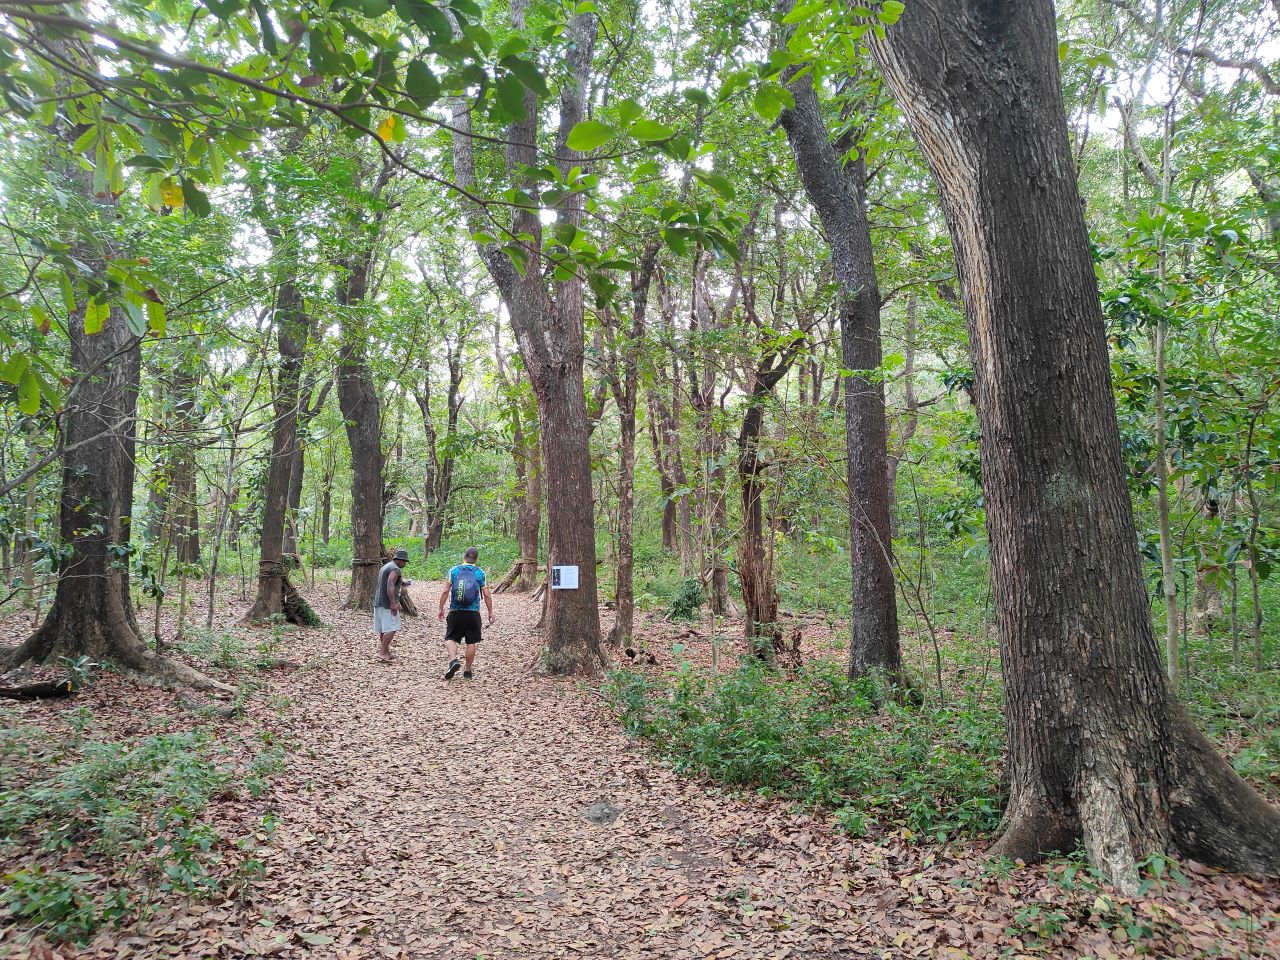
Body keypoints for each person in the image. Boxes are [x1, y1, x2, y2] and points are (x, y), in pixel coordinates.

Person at [437, 546, 494, 680]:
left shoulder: (454, 570)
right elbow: (486, 594)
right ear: (476, 559)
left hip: (456, 611)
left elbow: (445, 591)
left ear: (464, 556)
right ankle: (467, 671)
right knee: (471, 641)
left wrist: (440, 608)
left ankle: (453, 660)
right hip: (473, 613)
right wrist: (490, 612)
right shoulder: (480, 573)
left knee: (450, 638)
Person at [373, 548, 409, 663]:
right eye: (404, 562)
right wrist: (393, 603)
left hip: (379, 602)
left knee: (384, 629)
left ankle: (386, 651)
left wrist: (403, 583)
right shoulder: (395, 569)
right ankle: (383, 652)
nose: (405, 564)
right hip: (388, 604)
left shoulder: (386, 567)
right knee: (392, 628)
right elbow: (390, 584)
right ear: (399, 560)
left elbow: (389, 581)